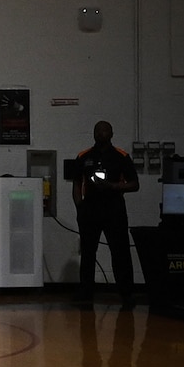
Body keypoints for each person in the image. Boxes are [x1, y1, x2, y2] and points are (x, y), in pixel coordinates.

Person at [74, 120, 139, 306]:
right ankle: (86, 292)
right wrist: (80, 207)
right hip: (90, 209)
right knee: (87, 253)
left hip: (114, 209)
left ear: (111, 133)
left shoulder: (121, 156)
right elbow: (77, 184)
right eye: (98, 130)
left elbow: (134, 184)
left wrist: (113, 186)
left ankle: (126, 293)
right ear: (93, 134)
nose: (101, 134)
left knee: (120, 252)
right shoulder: (83, 156)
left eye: (105, 130)